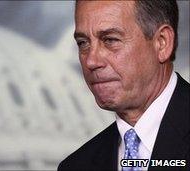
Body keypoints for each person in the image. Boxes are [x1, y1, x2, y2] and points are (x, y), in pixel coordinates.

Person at [58, 1, 189, 171]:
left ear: (162, 43)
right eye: (83, 43)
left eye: (110, 40)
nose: (91, 61)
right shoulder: (75, 166)